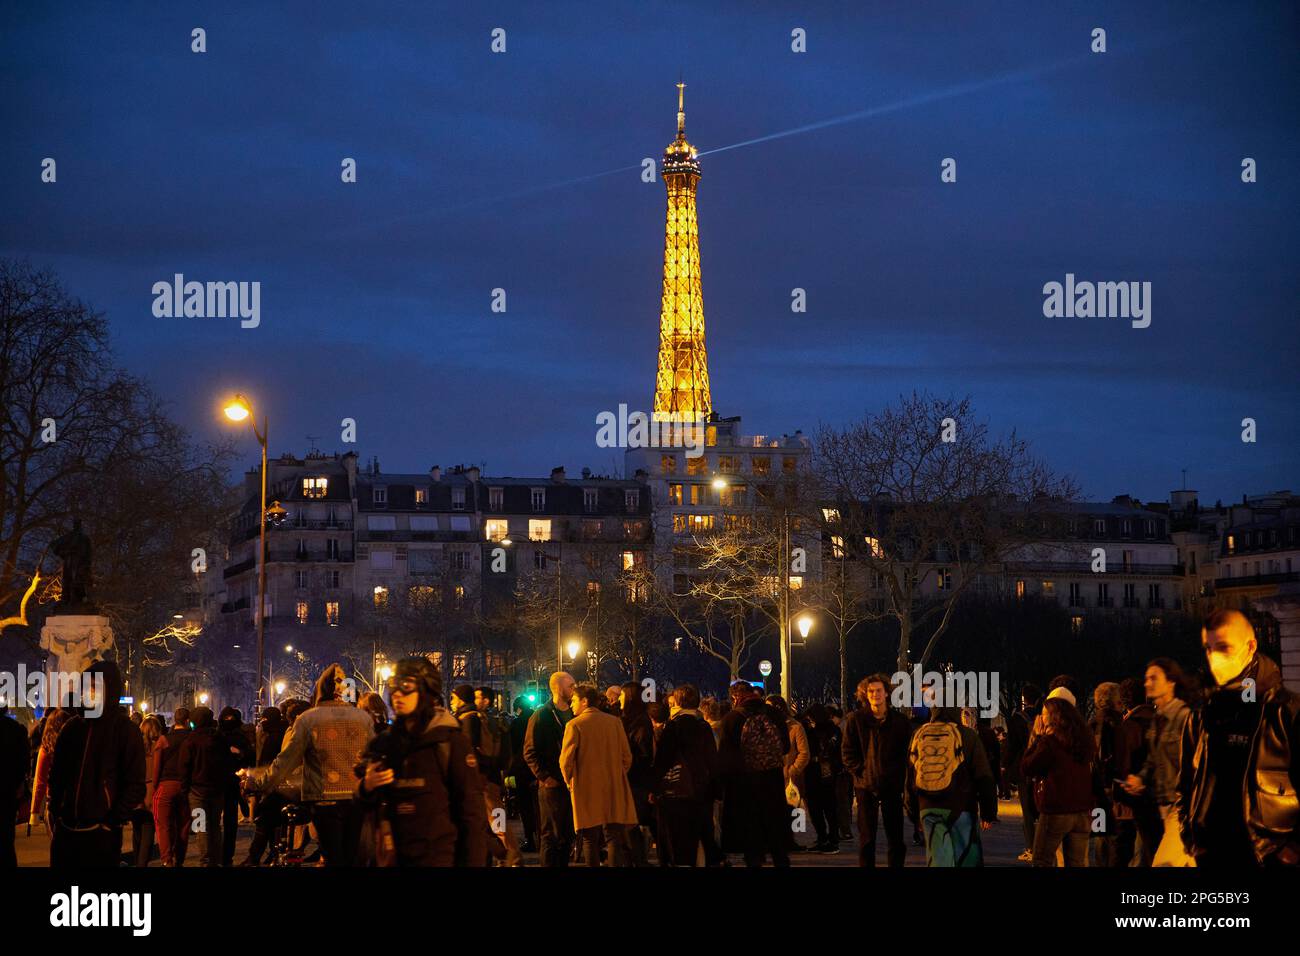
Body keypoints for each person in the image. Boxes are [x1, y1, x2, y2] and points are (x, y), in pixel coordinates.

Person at [1178, 610, 1299, 867]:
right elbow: (1187, 781)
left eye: (1223, 647)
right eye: (1209, 648)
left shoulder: (1285, 711)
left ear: (1251, 646)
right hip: (1210, 852)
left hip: (1267, 855)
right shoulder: (1203, 713)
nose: (1214, 657)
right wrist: (1189, 833)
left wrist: (1291, 848)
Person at [357, 657, 487, 866]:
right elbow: (365, 805)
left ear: (426, 689)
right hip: (393, 856)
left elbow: (471, 815)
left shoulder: (449, 742)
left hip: (438, 856)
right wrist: (367, 786)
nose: (398, 693)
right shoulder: (384, 744)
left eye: (406, 686)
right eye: (394, 686)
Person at [249, 662, 375, 866]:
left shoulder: (308, 719)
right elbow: (372, 757)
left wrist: (259, 783)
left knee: (333, 856)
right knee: (350, 856)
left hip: (324, 799)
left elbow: (286, 761)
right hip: (355, 798)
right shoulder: (363, 718)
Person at [47, 660, 146, 867]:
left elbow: (135, 784)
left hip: (101, 834)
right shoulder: (72, 727)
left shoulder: (124, 730)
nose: (89, 692)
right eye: (86, 687)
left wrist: (112, 820)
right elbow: (57, 774)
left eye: (94, 687)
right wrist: (55, 808)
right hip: (66, 830)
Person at [905, 698, 997, 867]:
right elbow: (984, 776)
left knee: (939, 859)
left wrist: (913, 812)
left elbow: (910, 776)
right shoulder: (968, 736)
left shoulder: (919, 734)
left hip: (928, 807)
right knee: (966, 858)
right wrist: (988, 812)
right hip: (962, 806)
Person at [1121, 657, 1192, 866]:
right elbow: (1154, 759)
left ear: (1171, 682)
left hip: (1181, 809)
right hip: (1163, 806)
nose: (1147, 683)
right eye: (1146, 679)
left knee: (1162, 863)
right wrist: (1140, 779)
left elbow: (1194, 763)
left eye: (1153, 678)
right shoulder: (1158, 717)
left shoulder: (1184, 717)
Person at [559, 684, 638, 866]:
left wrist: (569, 781)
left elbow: (566, 760)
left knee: (589, 838)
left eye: (574, 701)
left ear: (584, 701)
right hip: (612, 787)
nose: (571, 705)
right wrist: (616, 773)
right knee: (613, 838)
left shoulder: (574, 725)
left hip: (586, 788)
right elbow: (627, 757)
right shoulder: (614, 722)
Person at [842, 674, 913, 867]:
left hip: (892, 786)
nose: (875, 695)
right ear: (865, 694)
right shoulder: (855, 720)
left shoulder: (899, 721)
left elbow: (908, 753)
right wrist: (862, 772)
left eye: (879, 690)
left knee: (896, 839)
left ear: (887, 693)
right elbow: (847, 752)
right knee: (866, 840)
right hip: (865, 787)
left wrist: (899, 776)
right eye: (871, 691)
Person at [718, 681, 791, 867]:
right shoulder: (774, 714)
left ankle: (755, 861)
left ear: (735, 697)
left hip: (745, 783)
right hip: (773, 779)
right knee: (775, 831)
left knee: (751, 834)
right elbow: (786, 747)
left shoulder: (731, 718)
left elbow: (726, 757)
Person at [649, 683, 720, 866]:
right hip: (701, 790)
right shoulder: (703, 726)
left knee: (676, 841)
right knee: (700, 834)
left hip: (676, 791)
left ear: (678, 702)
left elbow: (663, 760)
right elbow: (712, 759)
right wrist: (715, 788)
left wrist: (654, 786)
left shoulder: (674, 727)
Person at [1022, 697, 1095, 866]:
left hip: (1056, 810)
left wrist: (1037, 737)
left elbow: (1027, 766)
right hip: (1082, 811)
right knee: (1076, 863)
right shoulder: (1083, 741)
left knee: (1042, 860)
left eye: (1044, 714)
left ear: (1054, 717)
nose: (1040, 718)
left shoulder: (1049, 743)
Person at [523, 671, 576, 867]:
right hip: (552, 784)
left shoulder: (575, 713)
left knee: (566, 834)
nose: (574, 689)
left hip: (570, 782)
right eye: (570, 685)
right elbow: (529, 751)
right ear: (558, 687)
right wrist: (544, 777)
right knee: (551, 835)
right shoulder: (542, 715)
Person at [1112, 677, 1158, 866]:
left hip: (1129, 800)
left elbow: (1121, 764)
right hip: (1154, 798)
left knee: (1122, 853)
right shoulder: (1159, 721)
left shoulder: (1128, 727)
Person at [178, 706, 228, 866]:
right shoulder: (220, 739)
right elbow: (227, 764)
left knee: (201, 828)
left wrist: (184, 791)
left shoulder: (190, 741)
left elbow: (184, 768)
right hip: (217, 790)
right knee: (215, 826)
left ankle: (205, 861)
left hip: (197, 792)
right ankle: (217, 860)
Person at [619, 681, 656, 866]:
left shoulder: (640, 722)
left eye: (622, 695)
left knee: (631, 824)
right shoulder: (629, 720)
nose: (618, 699)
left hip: (635, 781)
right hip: (631, 780)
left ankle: (638, 860)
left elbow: (644, 753)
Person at [1088, 682, 1123, 867]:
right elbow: (1104, 756)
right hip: (1108, 787)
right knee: (1112, 838)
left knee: (1101, 834)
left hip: (1096, 788)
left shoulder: (1093, 722)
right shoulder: (1112, 723)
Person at [1008, 684, 1042, 862]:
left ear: (1024, 699)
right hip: (1042, 766)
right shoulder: (1043, 716)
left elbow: (1012, 746)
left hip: (1024, 767)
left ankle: (1031, 847)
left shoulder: (1017, 718)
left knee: (1027, 811)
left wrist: (1006, 767)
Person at [216, 707, 254, 865]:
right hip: (226, 784)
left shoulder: (217, 736)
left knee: (215, 822)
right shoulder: (239, 737)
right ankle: (223, 856)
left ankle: (218, 855)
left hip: (218, 785)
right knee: (226, 823)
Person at [129, 714, 165, 866]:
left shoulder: (135, 747)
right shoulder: (160, 747)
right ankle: (142, 863)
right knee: (148, 830)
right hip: (151, 791)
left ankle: (137, 860)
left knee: (137, 830)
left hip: (136, 792)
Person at [0, 698, 30, 868]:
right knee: (6, 838)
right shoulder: (16, 730)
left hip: (8, 789)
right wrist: (20, 784)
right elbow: (24, 761)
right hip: (8, 792)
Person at [508, 695, 538, 853]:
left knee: (525, 807)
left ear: (517, 708)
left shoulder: (517, 723)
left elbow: (512, 749)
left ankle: (530, 839)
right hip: (538, 769)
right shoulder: (538, 719)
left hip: (522, 770)